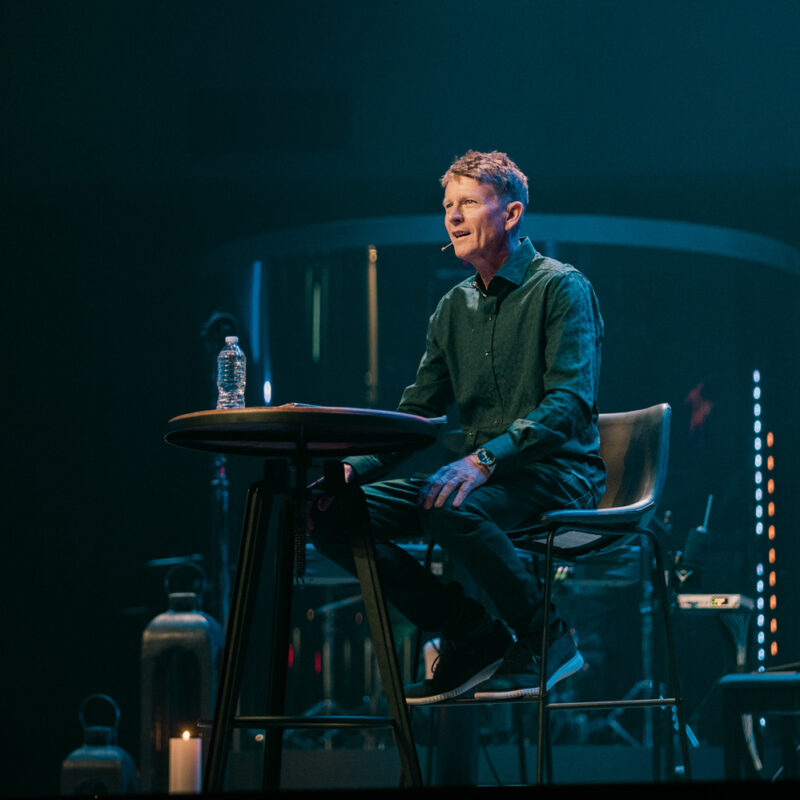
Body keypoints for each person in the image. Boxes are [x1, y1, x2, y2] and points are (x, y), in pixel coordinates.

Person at [308, 149, 605, 705]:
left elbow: (568, 404)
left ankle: (549, 640)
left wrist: (484, 459)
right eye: (447, 205)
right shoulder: (452, 308)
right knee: (328, 515)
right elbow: (417, 413)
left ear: (511, 214)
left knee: (449, 504)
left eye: (468, 202)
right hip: (481, 480)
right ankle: (474, 636)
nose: (452, 215)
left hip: (557, 473)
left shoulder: (561, 287)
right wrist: (352, 469)